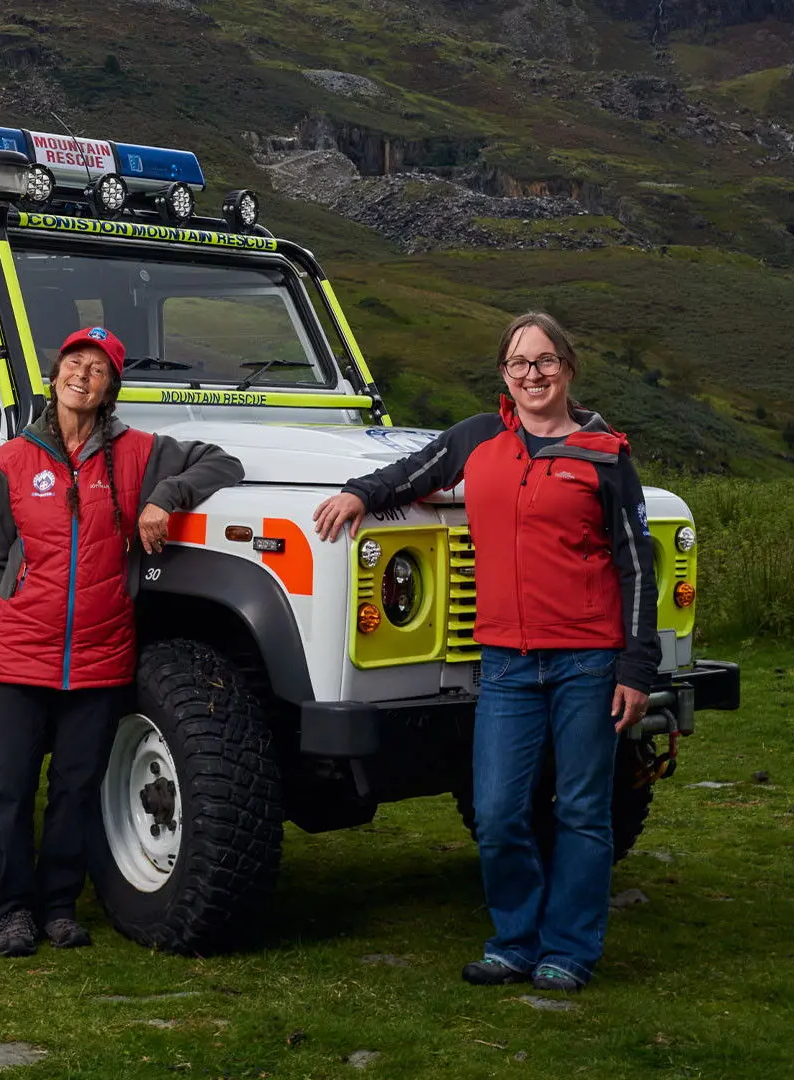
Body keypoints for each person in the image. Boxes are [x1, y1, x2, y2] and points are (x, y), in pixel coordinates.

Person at [313, 311, 656, 993]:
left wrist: (635, 667)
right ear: (504, 374)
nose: (533, 375)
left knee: (583, 810)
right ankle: (514, 940)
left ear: (569, 368)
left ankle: (569, 951)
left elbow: (636, 563)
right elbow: (413, 472)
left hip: (587, 659)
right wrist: (359, 492)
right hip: (504, 662)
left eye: (546, 361)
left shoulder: (604, 453)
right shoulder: (479, 438)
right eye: (519, 364)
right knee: (499, 811)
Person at [0, 327, 244, 957]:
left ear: (112, 386)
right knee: (6, 789)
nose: (82, 374)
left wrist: (164, 499)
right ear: (54, 374)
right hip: (19, 651)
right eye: (73, 362)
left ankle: (60, 907)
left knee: (75, 787)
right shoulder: (13, 460)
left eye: (98, 368)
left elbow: (223, 462)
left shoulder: (140, 451)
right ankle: (12, 911)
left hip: (98, 653)